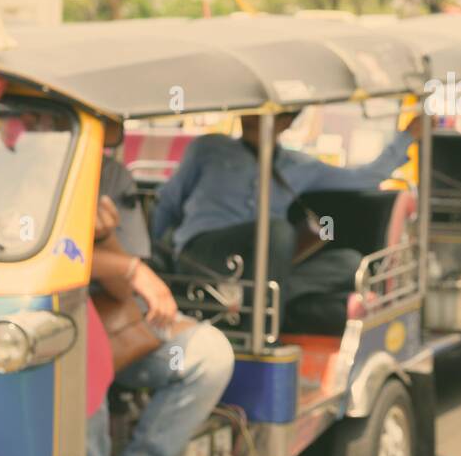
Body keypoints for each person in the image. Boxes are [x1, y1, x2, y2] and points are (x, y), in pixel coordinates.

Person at [151, 110, 422, 319]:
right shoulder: (209, 148)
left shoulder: (298, 165)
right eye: (251, 110)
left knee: (349, 263)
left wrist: (408, 135)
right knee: (278, 230)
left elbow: (365, 177)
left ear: (287, 122)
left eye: (267, 114)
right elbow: (168, 202)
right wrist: (150, 261)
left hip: (267, 268)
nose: (253, 118)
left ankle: (251, 300)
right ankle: (264, 327)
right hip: (206, 253)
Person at [86, 155, 236, 456]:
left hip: (110, 325)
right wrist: (129, 269)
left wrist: (107, 240)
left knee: (210, 355)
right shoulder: (1, 157)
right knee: (81, 361)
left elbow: (123, 291)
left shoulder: (107, 173)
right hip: (42, 321)